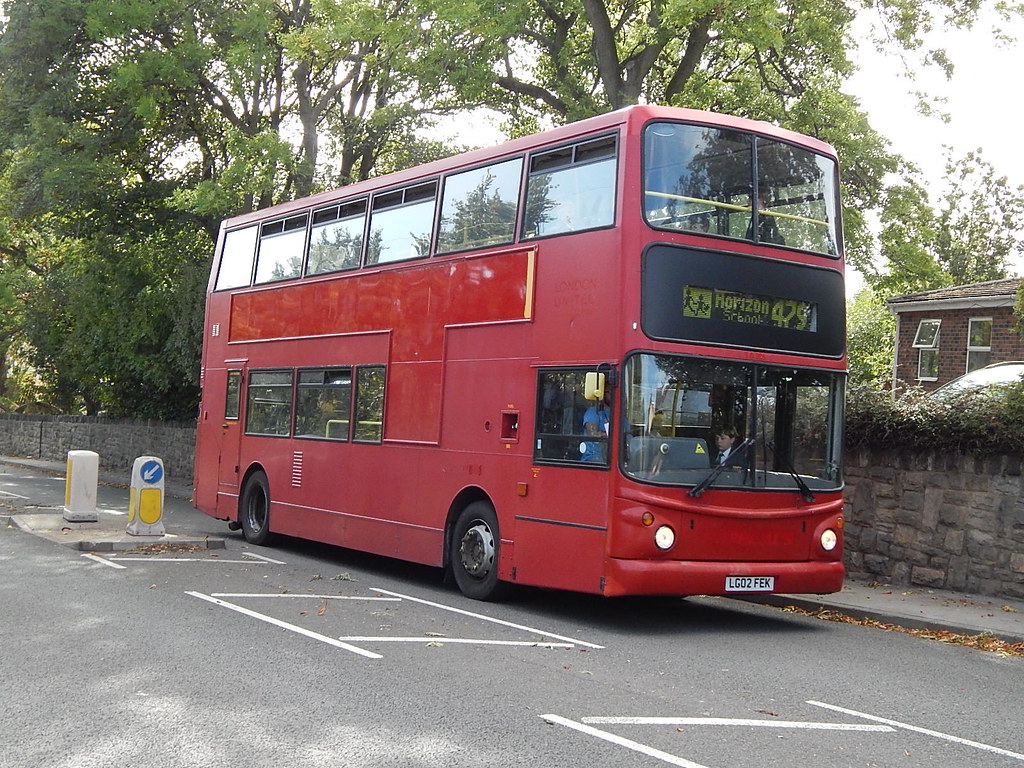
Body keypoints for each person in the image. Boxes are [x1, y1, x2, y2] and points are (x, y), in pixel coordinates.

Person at [580, 397, 611, 462]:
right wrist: (610, 435)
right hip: (594, 459)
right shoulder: (593, 412)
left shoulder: (620, 416)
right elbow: (593, 434)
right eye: (609, 392)